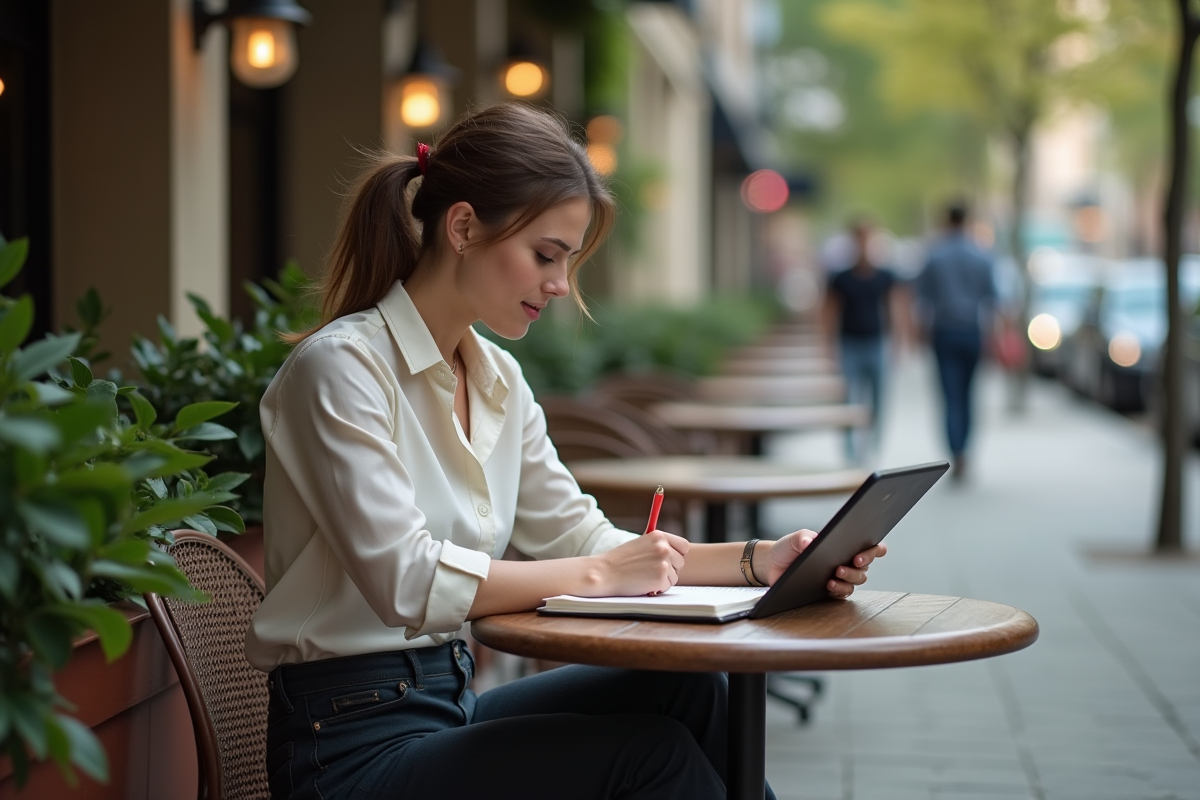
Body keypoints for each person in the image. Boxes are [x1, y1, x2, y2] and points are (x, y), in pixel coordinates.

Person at [246, 102, 886, 800]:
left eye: (568, 261)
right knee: (648, 758)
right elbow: (407, 580)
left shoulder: (496, 379)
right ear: (462, 227)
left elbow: (583, 537)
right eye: (545, 255)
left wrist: (759, 562)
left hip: (443, 708)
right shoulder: (341, 369)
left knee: (688, 691)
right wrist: (596, 575)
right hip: (346, 750)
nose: (559, 284)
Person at [915, 201, 998, 479]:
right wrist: (996, 337)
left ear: (946, 220)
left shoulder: (934, 255)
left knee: (950, 396)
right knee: (968, 395)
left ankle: (956, 451)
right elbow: (994, 301)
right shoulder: (981, 255)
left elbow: (920, 299)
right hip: (972, 331)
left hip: (944, 331)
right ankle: (965, 452)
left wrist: (918, 333)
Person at [822, 219, 908, 462]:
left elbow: (896, 309)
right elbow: (828, 312)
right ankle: (850, 450)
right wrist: (827, 347)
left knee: (879, 399)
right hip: (849, 344)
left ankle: (872, 446)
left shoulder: (886, 276)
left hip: (877, 343)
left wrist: (899, 343)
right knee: (848, 399)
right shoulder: (840, 278)